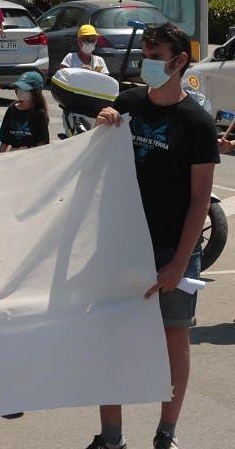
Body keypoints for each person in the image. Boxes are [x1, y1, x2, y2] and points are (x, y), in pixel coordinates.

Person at [91, 23, 219, 449]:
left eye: (155, 52)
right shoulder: (126, 103)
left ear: (179, 61)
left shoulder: (197, 123)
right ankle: (111, 437)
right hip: (121, 247)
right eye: (144, 50)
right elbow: (97, 163)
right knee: (112, 339)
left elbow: (200, 199)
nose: (145, 59)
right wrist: (102, 125)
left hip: (173, 250)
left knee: (173, 338)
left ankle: (167, 433)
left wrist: (180, 262)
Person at [0, 70, 49, 151]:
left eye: (25, 89)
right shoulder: (12, 109)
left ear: (35, 92)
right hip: (13, 154)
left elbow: (42, 142)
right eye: (19, 88)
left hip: (31, 155)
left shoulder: (40, 113)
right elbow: (4, 139)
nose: (20, 91)